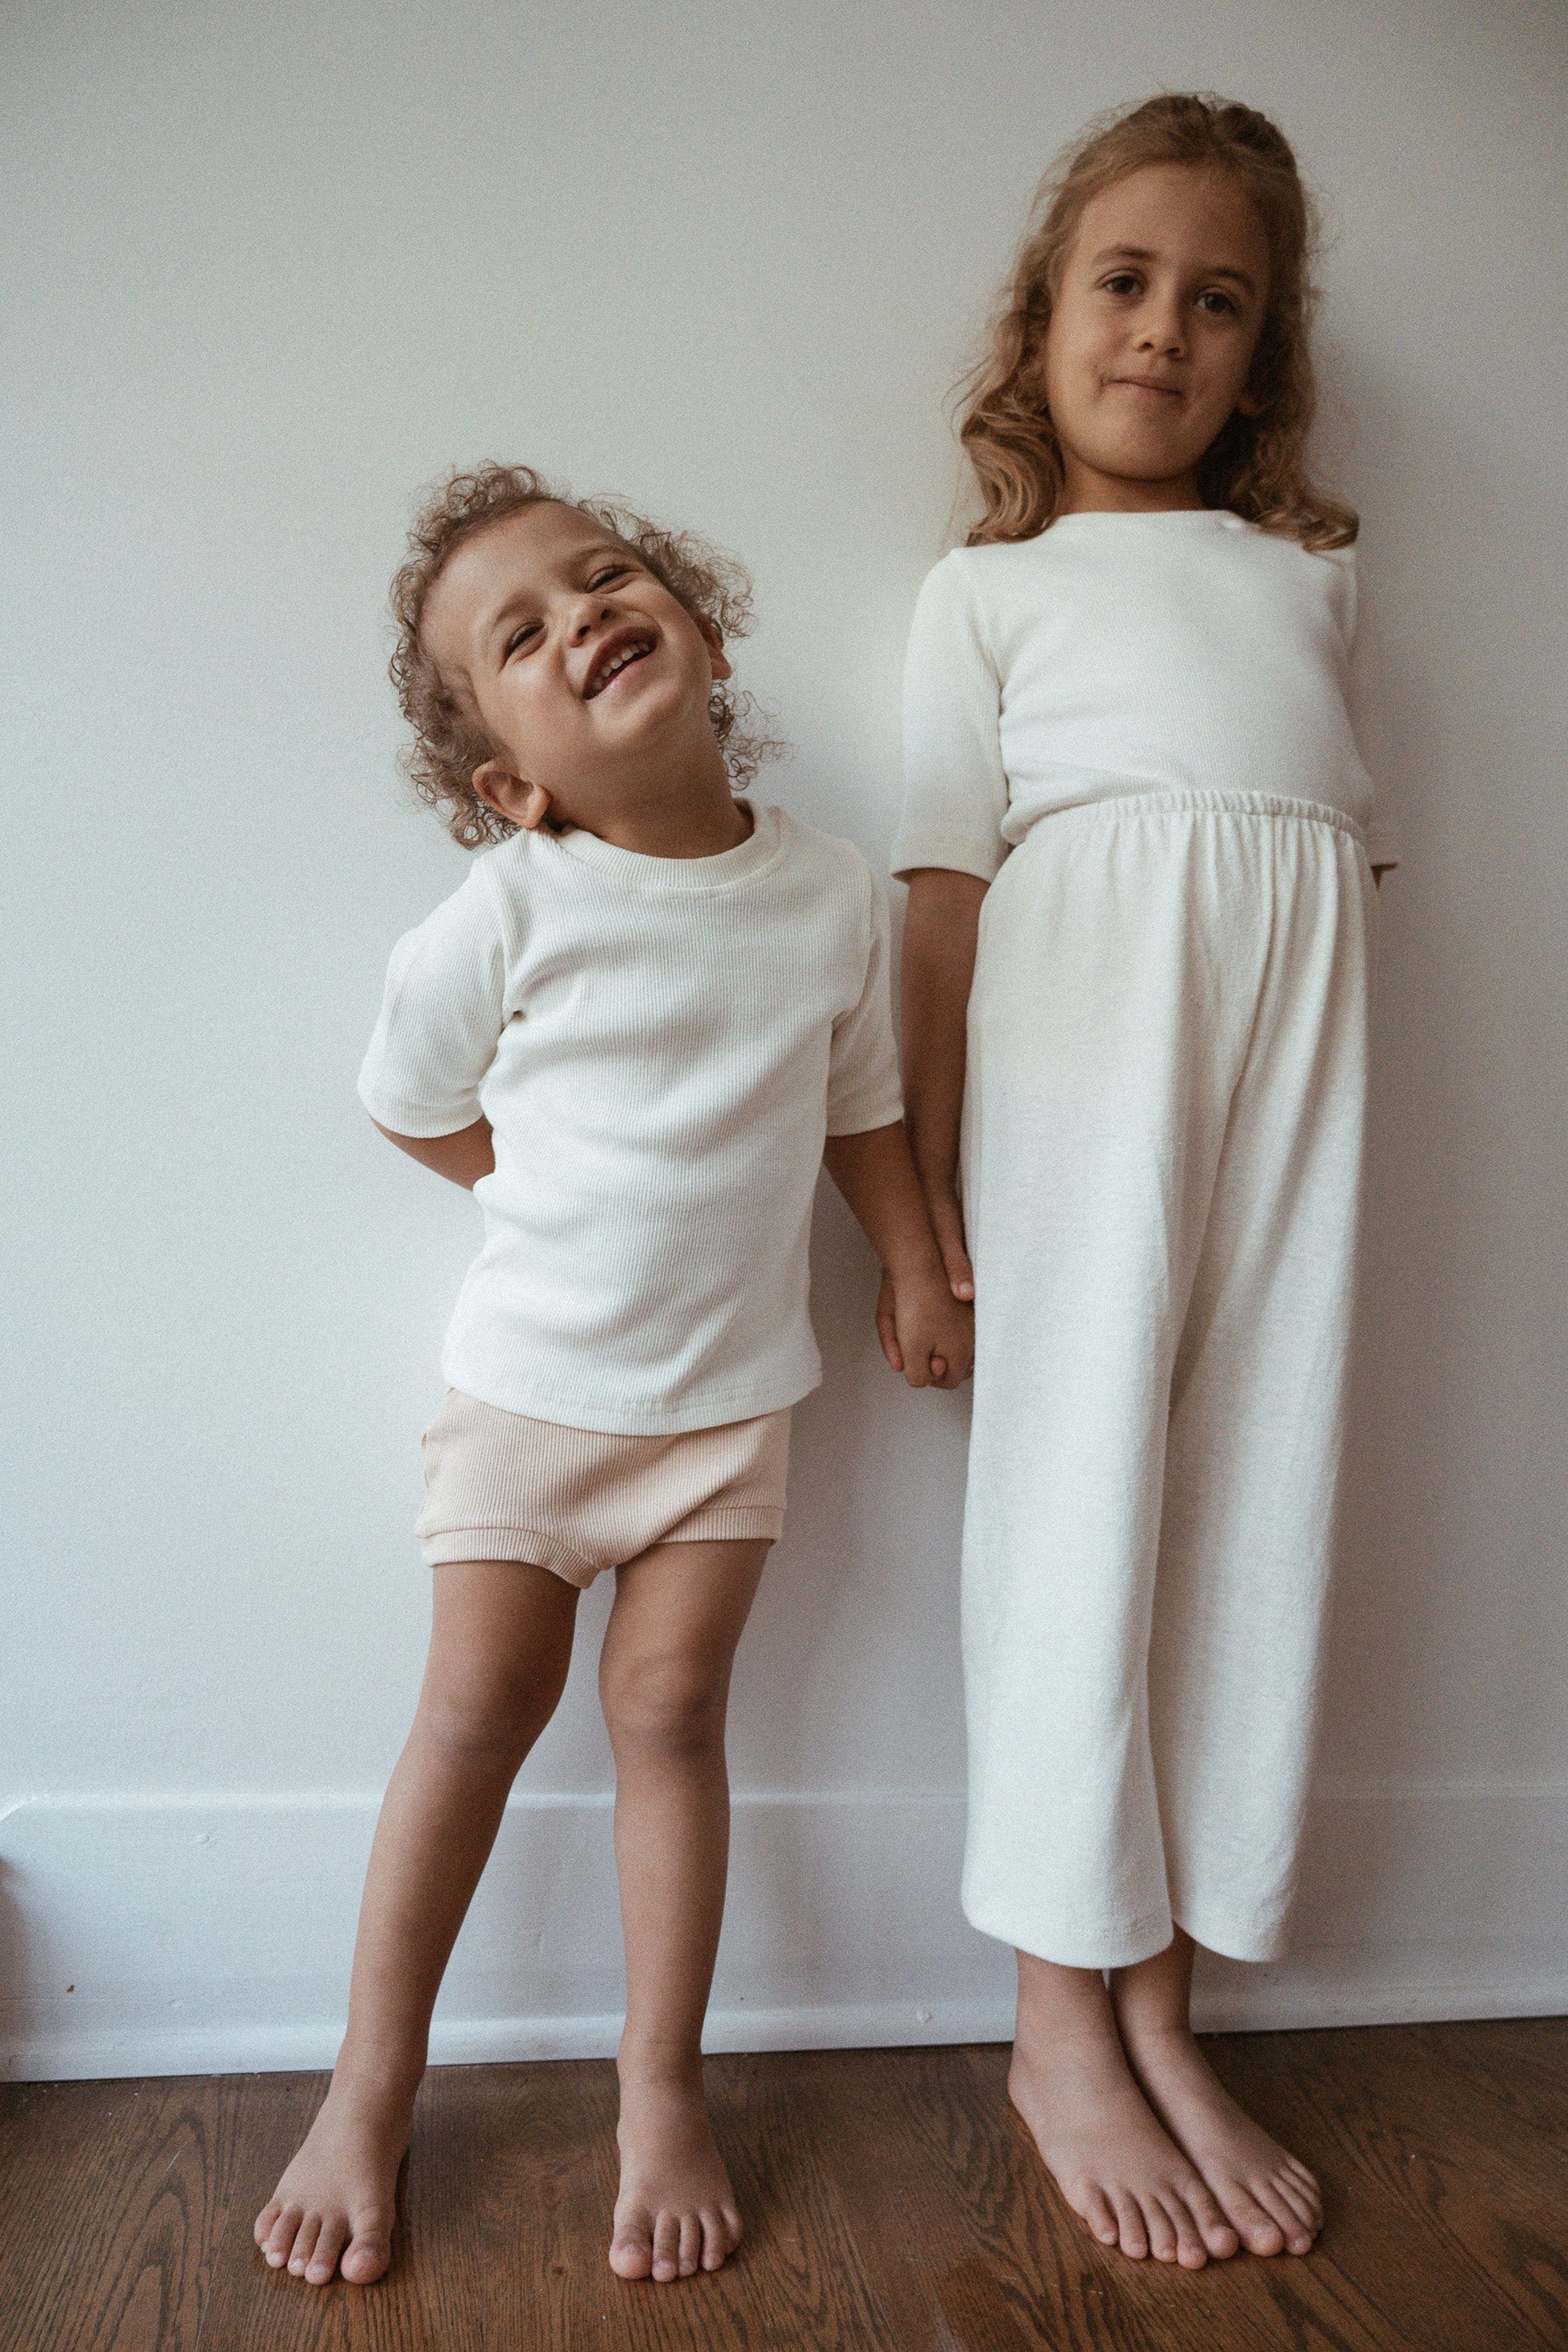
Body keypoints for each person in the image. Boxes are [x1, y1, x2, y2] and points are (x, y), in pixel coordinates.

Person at [255, 464, 973, 2290]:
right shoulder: (514, 906)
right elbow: (408, 1100)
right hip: (527, 1404)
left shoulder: (826, 892)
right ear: (511, 780)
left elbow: (859, 1107)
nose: (583, 614)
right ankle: (367, 2084)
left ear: (700, 629)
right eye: (524, 632)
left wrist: (911, 1260)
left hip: (726, 1415)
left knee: (671, 1720)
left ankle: (662, 2086)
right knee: (475, 1716)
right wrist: (544, 1197)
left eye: (606, 576)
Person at [890, 94, 1399, 2271]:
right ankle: (1053, 2012)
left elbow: (1322, 850)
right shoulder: (987, 593)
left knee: (1257, 1491)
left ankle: (1165, 2001)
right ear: (1044, 315)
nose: (1164, 331)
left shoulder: (1313, 580)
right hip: (1083, 1041)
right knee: (1078, 1491)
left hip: (1298, 1045)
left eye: (1219, 303)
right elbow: (936, 914)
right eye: (1124, 281)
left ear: (1261, 358)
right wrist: (921, 1216)